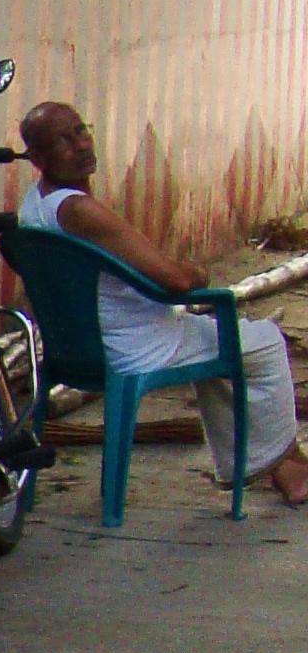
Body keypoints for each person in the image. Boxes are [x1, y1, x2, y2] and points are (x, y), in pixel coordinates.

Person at [18, 100, 308, 507]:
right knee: (264, 341)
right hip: (136, 347)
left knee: (220, 345)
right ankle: (289, 469)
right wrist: (198, 274)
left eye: (81, 131)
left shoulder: (33, 206)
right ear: (37, 157)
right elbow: (175, 281)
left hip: (77, 350)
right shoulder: (79, 209)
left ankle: (274, 464)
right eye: (63, 141)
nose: (81, 145)